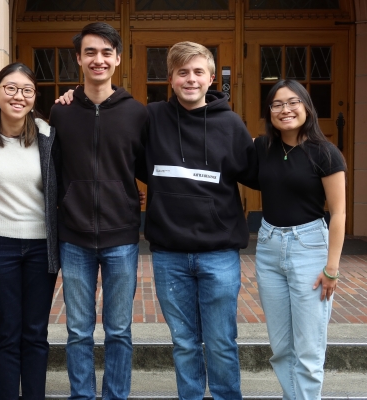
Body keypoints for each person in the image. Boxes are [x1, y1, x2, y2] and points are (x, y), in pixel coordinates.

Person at [145, 42, 257, 399]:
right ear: (171, 79)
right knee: (184, 342)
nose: (190, 79)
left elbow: (254, 172)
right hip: (168, 254)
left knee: (221, 342)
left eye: (197, 72)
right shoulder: (150, 118)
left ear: (211, 78)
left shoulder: (230, 123)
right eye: (182, 72)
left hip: (218, 253)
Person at [49, 22, 147, 400]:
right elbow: (53, 168)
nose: (98, 59)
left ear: (118, 59)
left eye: (106, 52)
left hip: (121, 235)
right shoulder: (61, 112)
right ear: (78, 58)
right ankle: (82, 395)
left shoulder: (137, 113)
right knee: (78, 330)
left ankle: (116, 396)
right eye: (90, 52)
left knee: (119, 330)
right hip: (73, 236)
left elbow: (145, 167)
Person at [0, 62, 59, 400]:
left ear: (34, 98)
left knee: (35, 332)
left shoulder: (48, 136)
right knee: (6, 331)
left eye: (26, 90)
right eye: (10, 88)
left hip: (40, 246)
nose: (18, 96)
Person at [254, 79, 346, 399]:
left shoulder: (326, 152)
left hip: (309, 248)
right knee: (281, 348)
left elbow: (339, 213)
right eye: (277, 104)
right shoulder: (262, 148)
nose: (285, 110)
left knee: (307, 349)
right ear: (269, 112)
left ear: (306, 106)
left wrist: (331, 268)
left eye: (293, 102)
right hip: (268, 247)